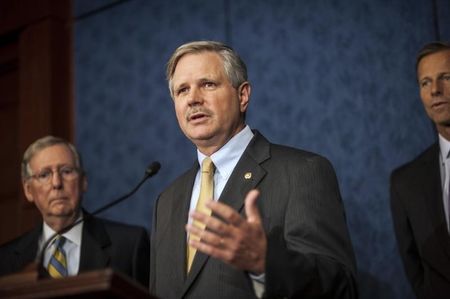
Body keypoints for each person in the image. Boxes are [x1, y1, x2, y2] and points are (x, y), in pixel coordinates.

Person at [150, 40, 357, 298]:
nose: (193, 99)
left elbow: (340, 287)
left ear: (243, 95)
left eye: (208, 84)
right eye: (182, 90)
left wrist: (266, 264)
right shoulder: (166, 202)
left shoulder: (303, 172)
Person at [0, 136, 150, 287]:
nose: (57, 183)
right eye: (44, 175)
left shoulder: (129, 245)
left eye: (66, 171)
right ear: (28, 190)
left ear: (83, 181)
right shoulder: (5, 259)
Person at [390, 41, 450, 299]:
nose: (435, 90)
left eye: (445, 78)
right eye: (425, 83)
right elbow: (414, 267)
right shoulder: (405, 182)